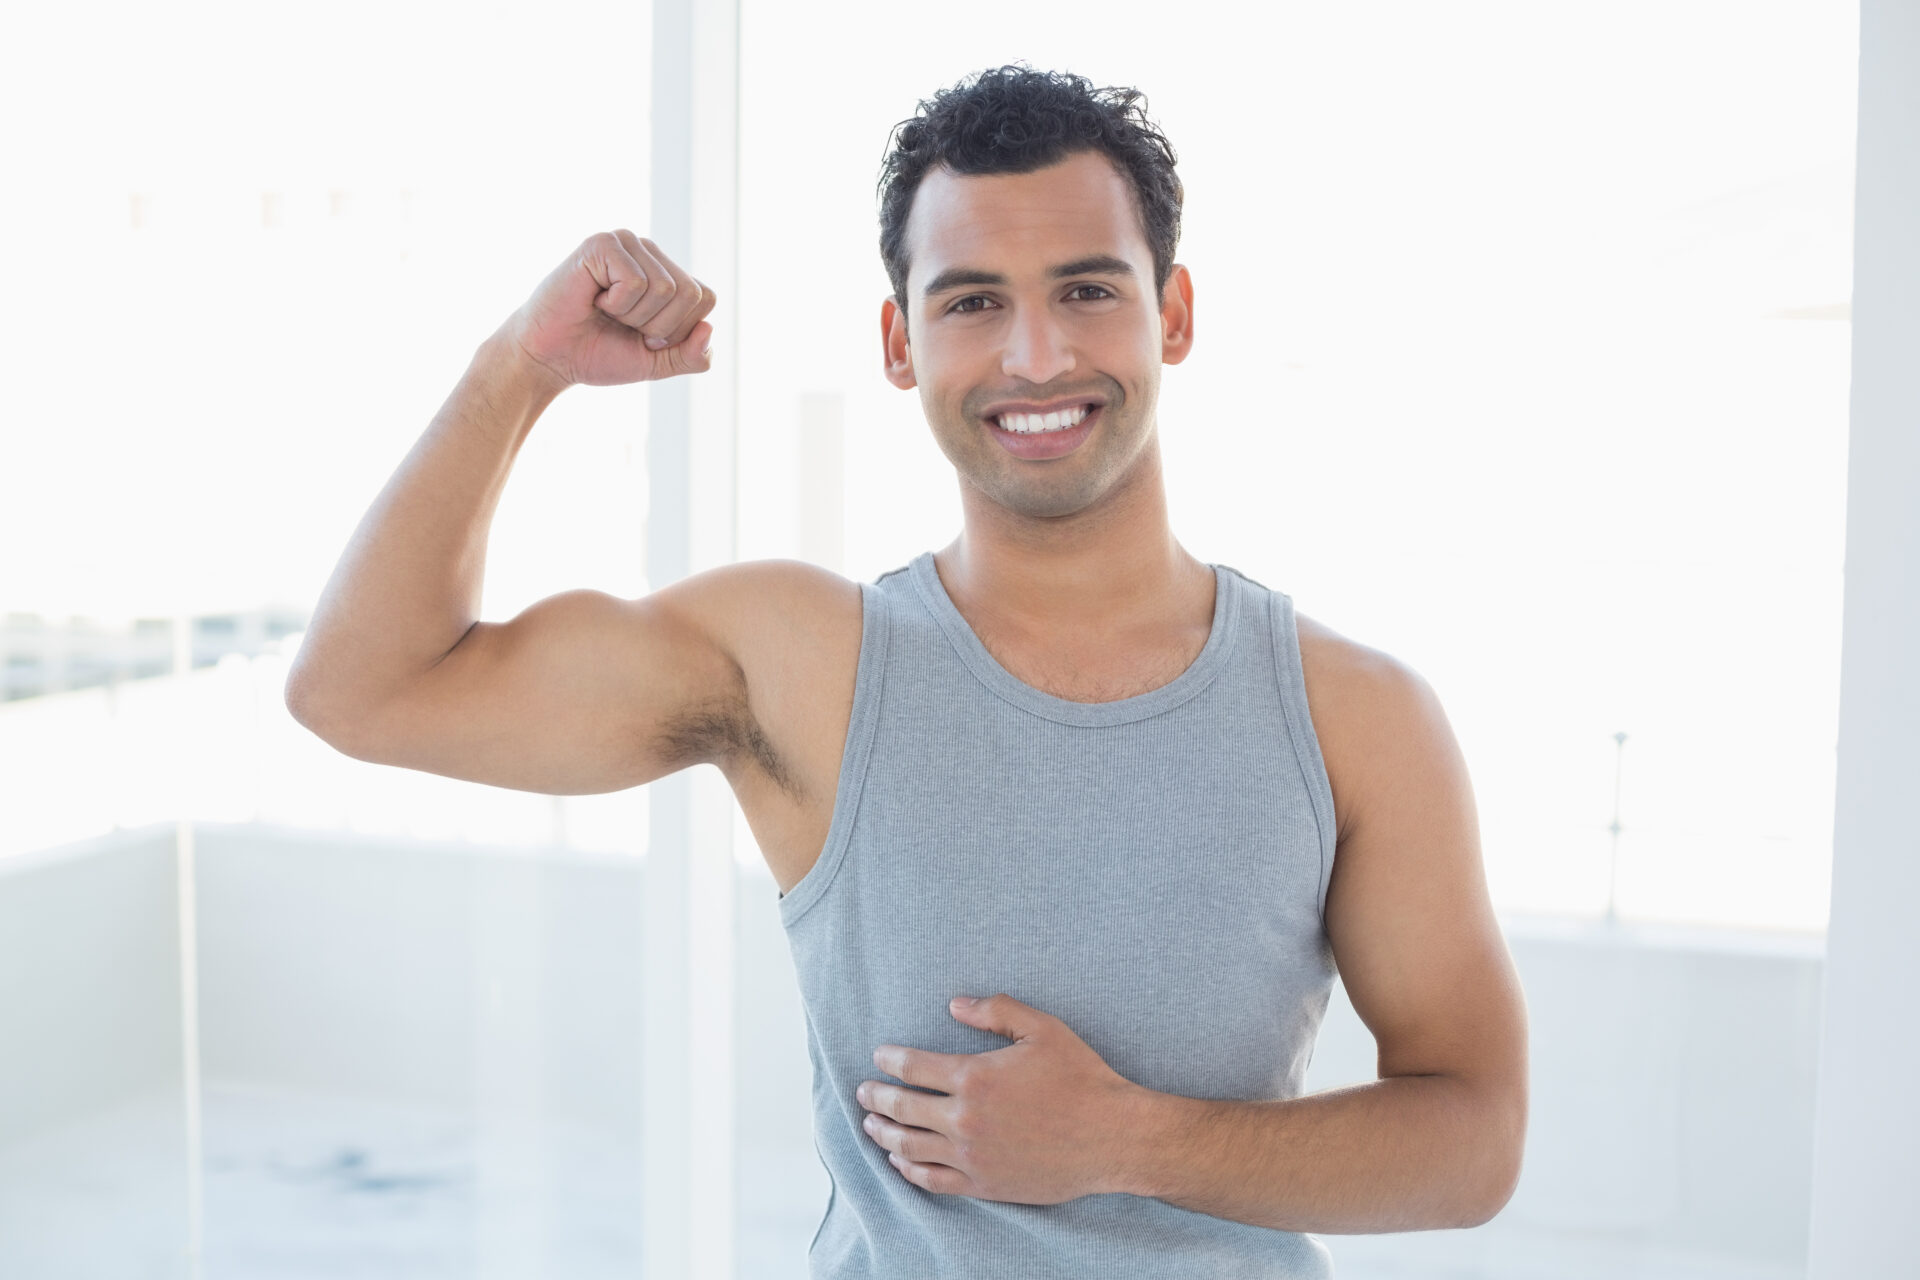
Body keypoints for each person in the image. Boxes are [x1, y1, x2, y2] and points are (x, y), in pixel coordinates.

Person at [287, 65, 1527, 1279]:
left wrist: (1127, 1138)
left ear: (1175, 313)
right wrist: (523, 363)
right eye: (973, 301)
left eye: (1088, 289)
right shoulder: (800, 663)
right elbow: (362, 689)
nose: (1036, 357)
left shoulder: (1353, 714)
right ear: (900, 341)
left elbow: (1472, 1141)